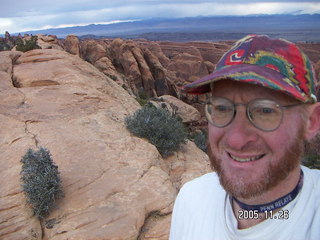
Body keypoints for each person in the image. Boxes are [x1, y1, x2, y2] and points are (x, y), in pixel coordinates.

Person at [169, 34, 320, 240]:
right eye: (222, 108)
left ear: (311, 122)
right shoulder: (191, 199)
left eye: (265, 111)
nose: (236, 140)